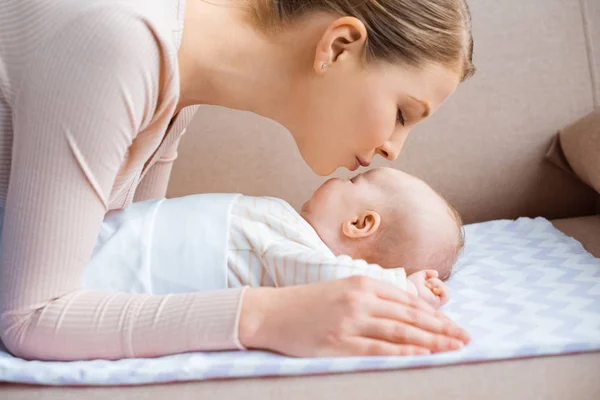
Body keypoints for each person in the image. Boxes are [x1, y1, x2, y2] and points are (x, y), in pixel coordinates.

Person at [0, 0, 475, 361]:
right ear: (339, 46)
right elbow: (32, 316)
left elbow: (126, 254)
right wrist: (267, 317)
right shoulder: (121, 43)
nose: (394, 149)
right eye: (401, 113)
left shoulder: (179, 80)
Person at [84, 167, 464, 310]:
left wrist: (404, 288)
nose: (339, 177)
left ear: (360, 223)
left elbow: (343, 282)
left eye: (354, 182)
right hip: (120, 231)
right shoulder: (290, 231)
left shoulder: (301, 257)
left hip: (114, 264)